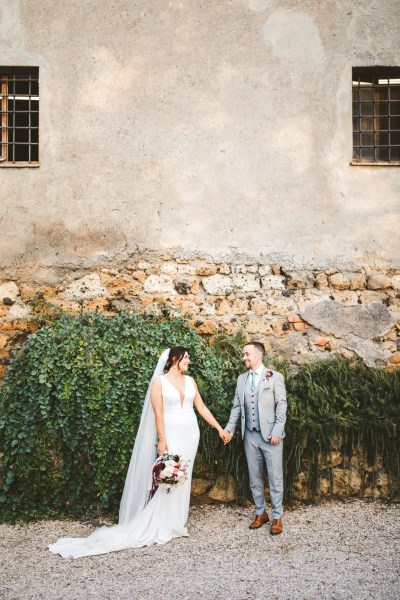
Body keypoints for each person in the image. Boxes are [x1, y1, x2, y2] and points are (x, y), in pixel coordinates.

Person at [49, 347, 229, 558]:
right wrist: (162, 439)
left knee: (183, 476)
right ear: (174, 359)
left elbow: (202, 407)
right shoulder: (159, 382)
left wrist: (219, 428)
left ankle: (176, 523)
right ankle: (160, 523)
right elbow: (158, 413)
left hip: (191, 433)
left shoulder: (191, 381)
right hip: (171, 432)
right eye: (186, 357)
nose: (189, 361)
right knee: (168, 475)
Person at [223, 342, 287, 535]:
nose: (244, 358)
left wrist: (277, 431)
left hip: (271, 436)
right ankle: (261, 512)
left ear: (259, 355)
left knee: (275, 477)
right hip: (249, 435)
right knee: (254, 476)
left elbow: (282, 406)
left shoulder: (275, 377)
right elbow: (236, 407)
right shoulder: (241, 379)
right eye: (244, 354)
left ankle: (277, 516)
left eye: (247, 354)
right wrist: (229, 429)